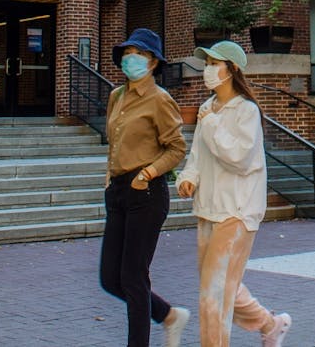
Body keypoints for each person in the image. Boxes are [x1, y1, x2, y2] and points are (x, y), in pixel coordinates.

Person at [176, 40, 293, 347]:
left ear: (233, 69)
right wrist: (187, 178)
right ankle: (271, 325)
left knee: (213, 294)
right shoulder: (206, 109)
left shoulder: (246, 111)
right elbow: (198, 155)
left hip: (237, 211)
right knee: (219, 286)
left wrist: (212, 123)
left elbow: (239, 158)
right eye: (207, 64)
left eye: (215, 64)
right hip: (208, 207)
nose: (208, 70)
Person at [100, 28, 191, 346]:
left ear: (153, 62)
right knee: (110, 278)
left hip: (147, 192)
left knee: (133, 277)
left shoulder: (160, 100)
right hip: (118, 191)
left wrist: (146, 174)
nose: (131, 59)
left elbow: (177, 148)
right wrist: (109, 175)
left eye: (139, 54)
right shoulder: (116, 96)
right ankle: (169, 315)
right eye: (127, 54)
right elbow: (114, 141)